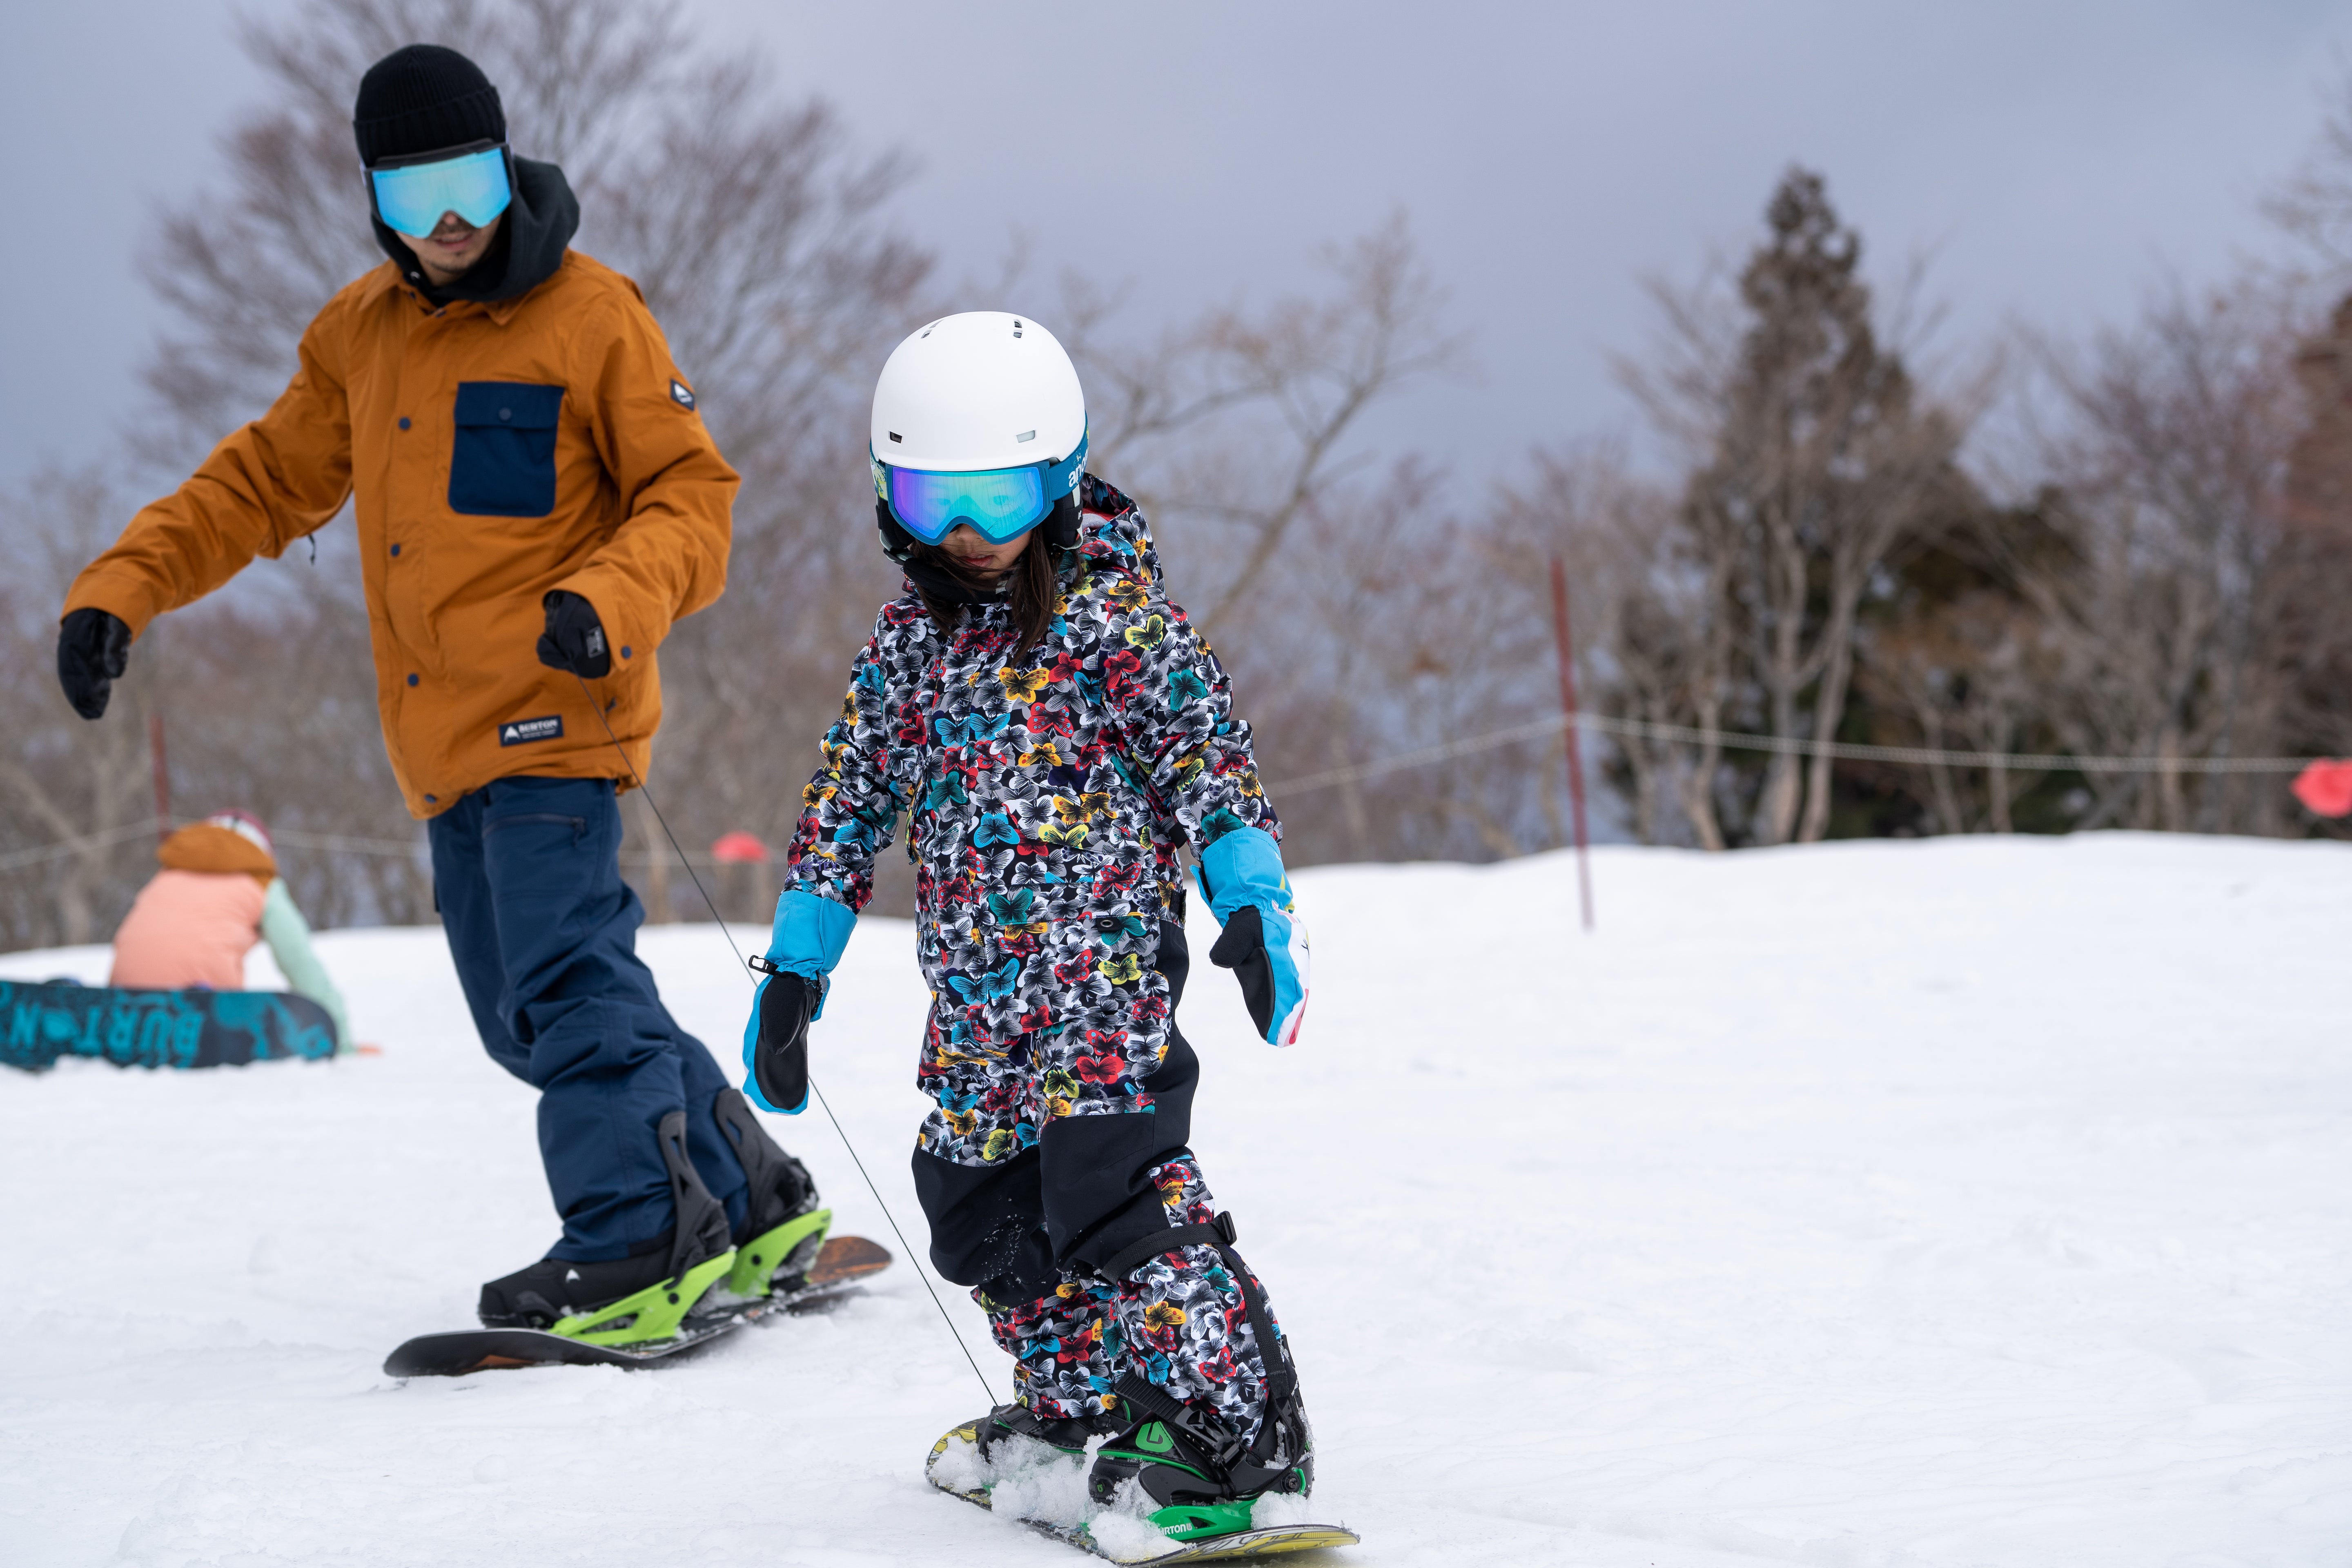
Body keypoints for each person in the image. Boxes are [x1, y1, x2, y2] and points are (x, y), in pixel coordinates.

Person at [53, 43, 819, 1345]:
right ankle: (748, 1194)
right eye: (411, 196)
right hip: (445, 749)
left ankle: (635, 1234)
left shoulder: (592, 317)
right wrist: (119, 588)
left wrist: (612, 598)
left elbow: (696, 498)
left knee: (568, 983)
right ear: (375, 200)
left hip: (558, 725)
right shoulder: (362, 338)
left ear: (506, 165)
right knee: (536, 1014)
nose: (448, 218)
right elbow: (254, 486)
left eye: (465, 181)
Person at [741, 312, 1317, 1542]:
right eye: (930, 496)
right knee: (974, 1197)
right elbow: (848, 802)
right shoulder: (910, 645)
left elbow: (1213, 771)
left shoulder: (1123, 624)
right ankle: (1074, 1398)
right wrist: (797, 965)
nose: (964, 532)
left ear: (1057, 479)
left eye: (996, 497)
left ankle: (1231, 1436)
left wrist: (1255, 906)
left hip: (1105, 978)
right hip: (977, 996)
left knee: (1116, 1193)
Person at [111, 810, 353, 1048]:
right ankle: (198, 1002)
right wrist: (338, 1036)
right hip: (208, 1007)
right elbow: (299, 960)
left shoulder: (167, 875)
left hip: (124, 995)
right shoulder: (262, 883)